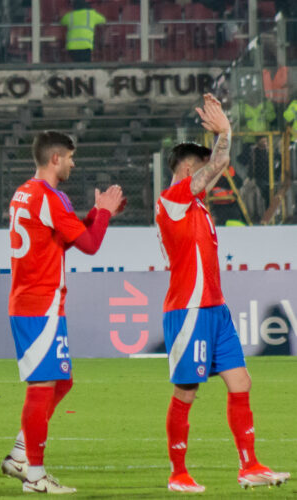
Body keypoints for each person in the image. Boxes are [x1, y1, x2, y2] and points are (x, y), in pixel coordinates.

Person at [158, 94, 290, 493]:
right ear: (186, 169)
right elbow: (217, 164)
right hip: (189, 309)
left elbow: (217, 166)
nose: (211, 174)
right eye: (200, 168)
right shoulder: (175, 200)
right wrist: (226, 131)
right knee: (186, 390)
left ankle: (249, 465)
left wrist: (223, 136)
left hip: (215, 309)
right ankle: (178, 473)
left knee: (241, 382)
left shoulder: (196, 205)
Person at [0, 131, 124, 494]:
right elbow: (90, 245)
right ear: (55, 158)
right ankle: (34, 476)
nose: (73, 162)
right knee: (42, 387)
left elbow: (65, 234)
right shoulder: (48, 197)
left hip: (36, 301)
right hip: (39, 303)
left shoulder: (28, 192)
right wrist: (102, 214)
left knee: (61, 381)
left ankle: (22, 454)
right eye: (70, 157)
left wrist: (95, 214)